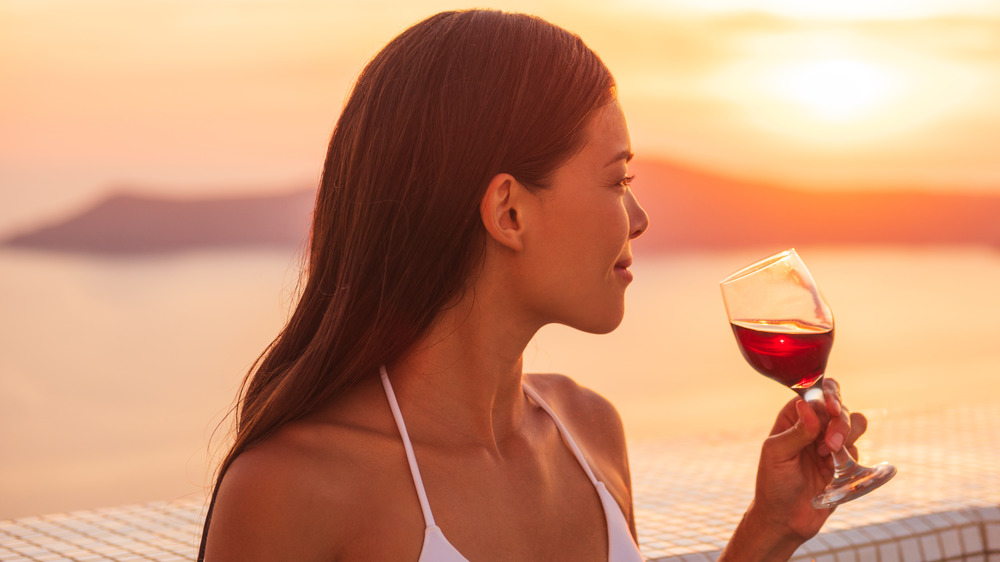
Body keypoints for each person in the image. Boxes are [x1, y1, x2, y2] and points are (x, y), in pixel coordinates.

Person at [199, 9, 868, 561]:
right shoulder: (294, 489)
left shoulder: (589, 434)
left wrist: (772, 528)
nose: (638, 218)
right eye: (617, 181)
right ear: (509, 213)